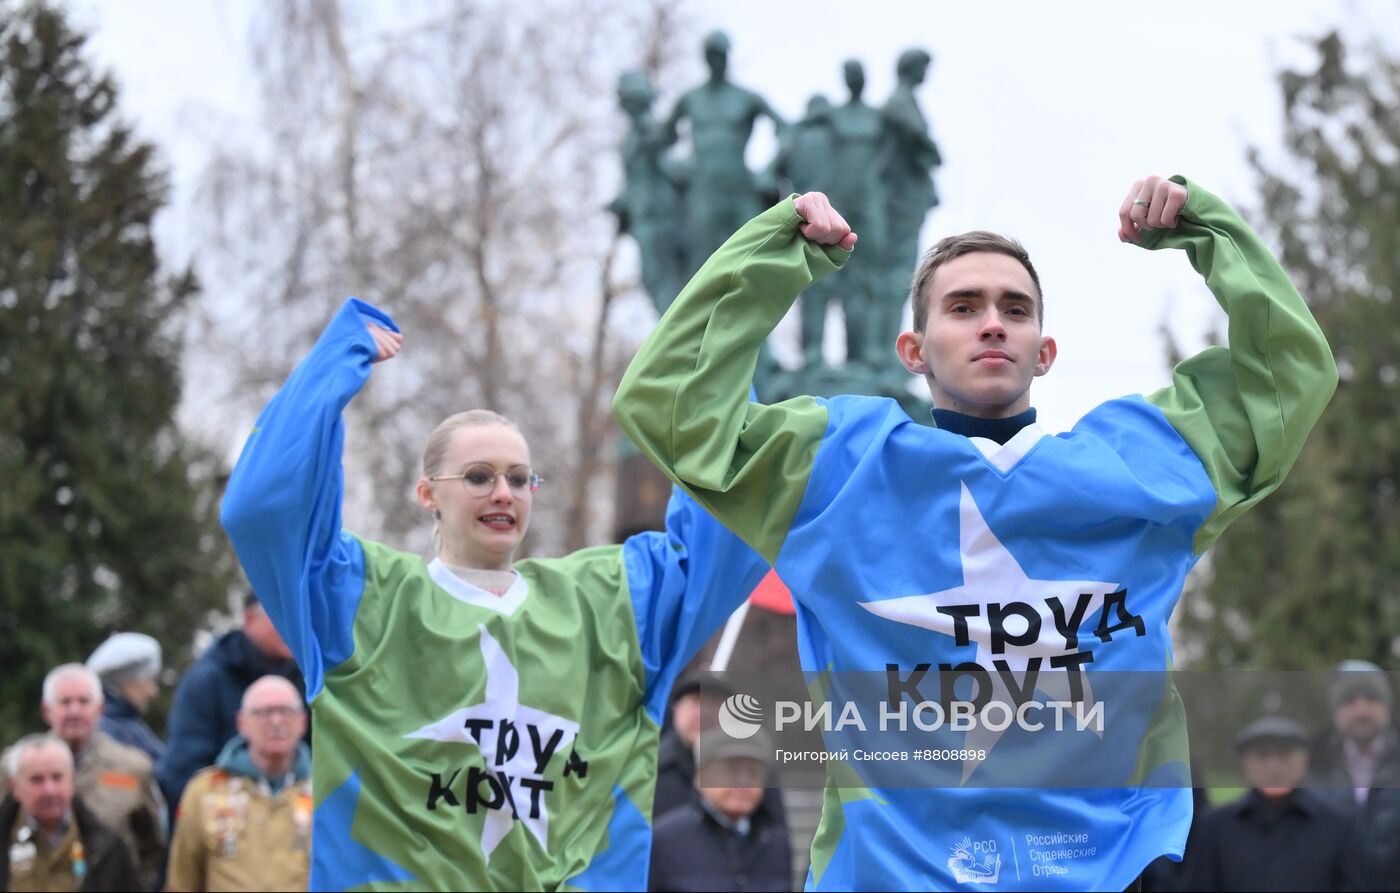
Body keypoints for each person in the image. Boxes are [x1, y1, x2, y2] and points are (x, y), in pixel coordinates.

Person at [613, 176, 1337, 890]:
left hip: (1102, 874)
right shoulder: (841, 466)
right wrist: (776, 251)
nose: (992, 321)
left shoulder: (1138, 465)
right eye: (963, 306)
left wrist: (1206, 230)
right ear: (913, 350)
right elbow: (669, 403)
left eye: (1014, 308)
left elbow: (1289, 377)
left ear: (1044, 351)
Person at [218, 298, 772, 889]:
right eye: (478, 477)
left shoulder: (610, 603)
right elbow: (263, 511)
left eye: (518, 478)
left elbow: (728, 531)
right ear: (428, 493)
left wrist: (729, 337)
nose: (503, 493)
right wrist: (335, 367)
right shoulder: (361, 602)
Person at [0, 665, 166, 889]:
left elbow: (151, 845)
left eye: (83, 701)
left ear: (100, 709)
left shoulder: (133, 767)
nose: (74, 711)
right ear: (46, 711)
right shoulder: (16, 765)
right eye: (65, 702)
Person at [157, 593, 304, 811]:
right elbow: (183, 769)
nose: (292, 628)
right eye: (280, 617)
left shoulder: (308, 678)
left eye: (298, 619)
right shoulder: (207, 680)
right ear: (248, 618)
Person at [165, 676, 312, 892]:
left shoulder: (325, 792)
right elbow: (182, 880)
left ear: (302, 722)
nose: (276, 721)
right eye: (263, 712)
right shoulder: (204, 791)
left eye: (286, 711)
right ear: (242, 723)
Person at [1178, 716, 1356, 892]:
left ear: (1304, 761)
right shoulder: (1214, 827)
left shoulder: (1338, 826)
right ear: (1244, 764)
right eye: (1262, 755)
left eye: (1285, 754)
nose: (1274, 765)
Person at [649, 729, 790, 892]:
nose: (743, 782)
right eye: (731, 770)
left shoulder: (775, 842)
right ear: (700, 776)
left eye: (753, 772)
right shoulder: (664, 840)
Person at [1, 733, 139, 892]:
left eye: (57, 777)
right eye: (36, 780)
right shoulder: (5, 838)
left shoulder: (107, 847)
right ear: (14, 787)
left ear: (72, 781)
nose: (49, 790)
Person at [1308, 660, 1400, 891]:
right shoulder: (1308, 765)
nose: (1362, 710)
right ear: (1335, 709)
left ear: (1387, 705)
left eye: (1372, 699)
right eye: (1349, 700)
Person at [654, 675, 785, 828]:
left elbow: (775, 833)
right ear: (676, 710)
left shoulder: (757, 766)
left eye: (714, 704)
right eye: (696, 702)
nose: (704, 714)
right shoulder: (652, 767)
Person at [87, 633, 166, 763]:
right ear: (126, 683)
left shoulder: (128, 726)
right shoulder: (110, 732)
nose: (153, 692)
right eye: (149, 681)